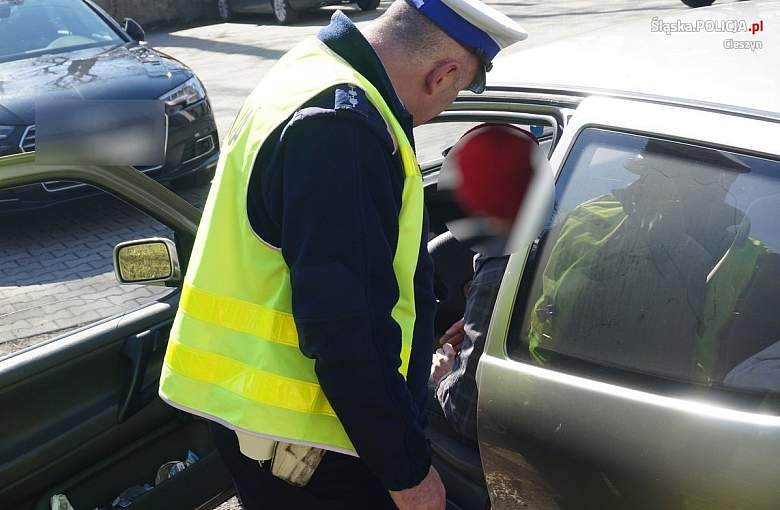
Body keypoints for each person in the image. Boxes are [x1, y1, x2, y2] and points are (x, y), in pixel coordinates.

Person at [157, 0, 527, 508]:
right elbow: (347, 331)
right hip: (313, 448)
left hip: (264, 427)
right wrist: (410, 474)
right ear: (443, 75)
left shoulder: (308, 68)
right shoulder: (344, 128)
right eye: (459, 90)